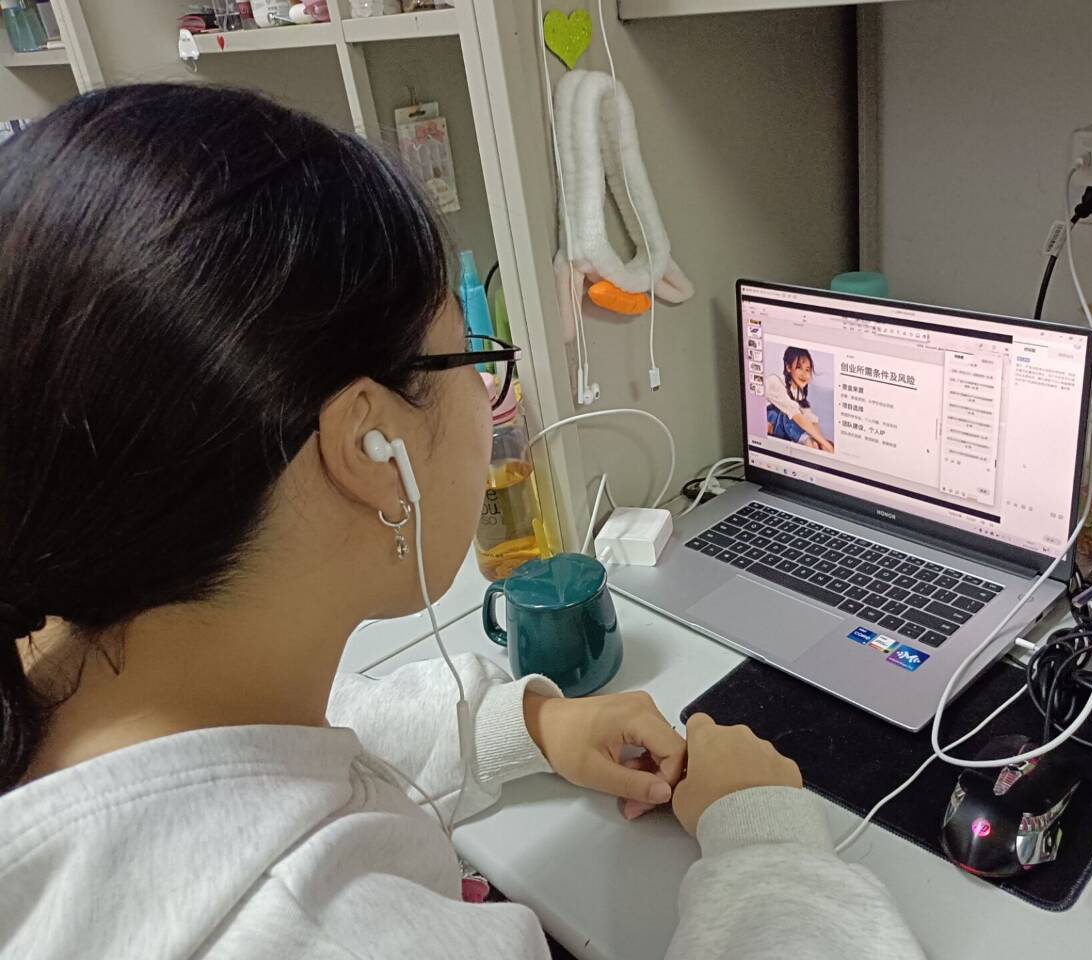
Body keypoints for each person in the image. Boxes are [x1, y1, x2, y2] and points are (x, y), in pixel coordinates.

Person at [0, 85, 922, 960]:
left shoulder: (73, 674)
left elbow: (298, 736)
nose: (489, 395)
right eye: (471, 358)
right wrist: (766, 836)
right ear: (370, 445)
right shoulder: (334, 934)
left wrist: (530, 726)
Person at [765, 346, 835, 453]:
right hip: (764, 424)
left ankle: (810, 443)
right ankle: (806, 441)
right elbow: (796, 417)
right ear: (788, 367)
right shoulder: (775, 382)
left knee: (813, 434)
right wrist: (825, 444)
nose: (804, 374)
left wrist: (821, 443)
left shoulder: (799, 393)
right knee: (788, 415)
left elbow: (811, 420)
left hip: (781, 431)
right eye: (799, 368)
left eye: (807, 370)